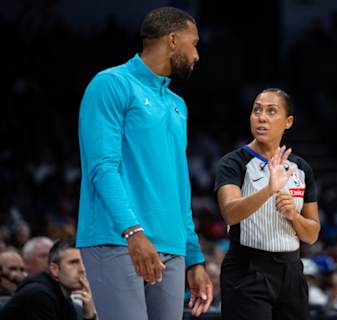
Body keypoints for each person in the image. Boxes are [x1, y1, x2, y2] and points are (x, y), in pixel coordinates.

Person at [76, 6, 212, 320]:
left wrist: (194, 258)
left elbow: (180, 186)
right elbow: (102, 167)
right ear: (174, 40)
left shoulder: (177, 105)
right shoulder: (111, 84)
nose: (197, 54)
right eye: (195, 43)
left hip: (172, 245)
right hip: (118, 239)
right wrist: (132, 231)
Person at [214, 88, 321, 320]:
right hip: (247, 270)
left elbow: (312, 234)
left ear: (288, 122)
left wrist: (294, 215)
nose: (261, 117)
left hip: (292, 272)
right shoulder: (233, 163)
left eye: (271, 111)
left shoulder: (301, 168)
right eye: (257, 110)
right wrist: (269, 189)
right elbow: (230, 213)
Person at [0, 239, 96, 319]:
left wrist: (89, 315)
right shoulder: (39, 294)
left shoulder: (64, 299)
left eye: (84, 262)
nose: (82, 269)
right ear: (54, 269)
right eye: (73, 262)